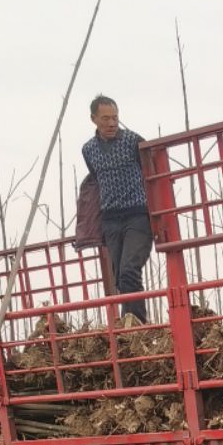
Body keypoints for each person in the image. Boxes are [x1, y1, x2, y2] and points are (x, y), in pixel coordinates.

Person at [81, 95, 152, 323]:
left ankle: (137, 324)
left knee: (130, 269)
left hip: (137, 215)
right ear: (94, 119)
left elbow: (152, 166)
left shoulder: (133, 141)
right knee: (120, 278)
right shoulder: (88, 150)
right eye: (105, 119)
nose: (111, 123)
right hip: (110, 219)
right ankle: (130, 322)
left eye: (115, 118)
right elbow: (95, 176)